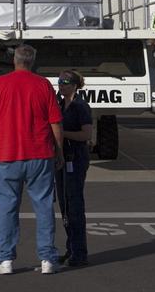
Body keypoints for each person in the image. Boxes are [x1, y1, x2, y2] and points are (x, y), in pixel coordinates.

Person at [0, 43, 64, 275]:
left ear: (14, 60)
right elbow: (55, 122)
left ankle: (5, 260)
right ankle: (47, 258)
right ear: (33, 61)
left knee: (7, 207)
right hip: (40, 154)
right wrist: (59, 151)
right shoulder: (43, 84)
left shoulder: (1, 83)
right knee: (44, 206)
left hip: (8, 155)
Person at [54, 71, 92, 268]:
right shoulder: (59, 104)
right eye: (60, 82)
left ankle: (80, 252)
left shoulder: (80, 106)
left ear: (75, 86)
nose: (62, 86)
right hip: (61, 159)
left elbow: (86, 134)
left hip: (75, 159)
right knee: (65, 205)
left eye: (66, 83)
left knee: (75, 205)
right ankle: (71, 248)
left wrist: (61, 133)